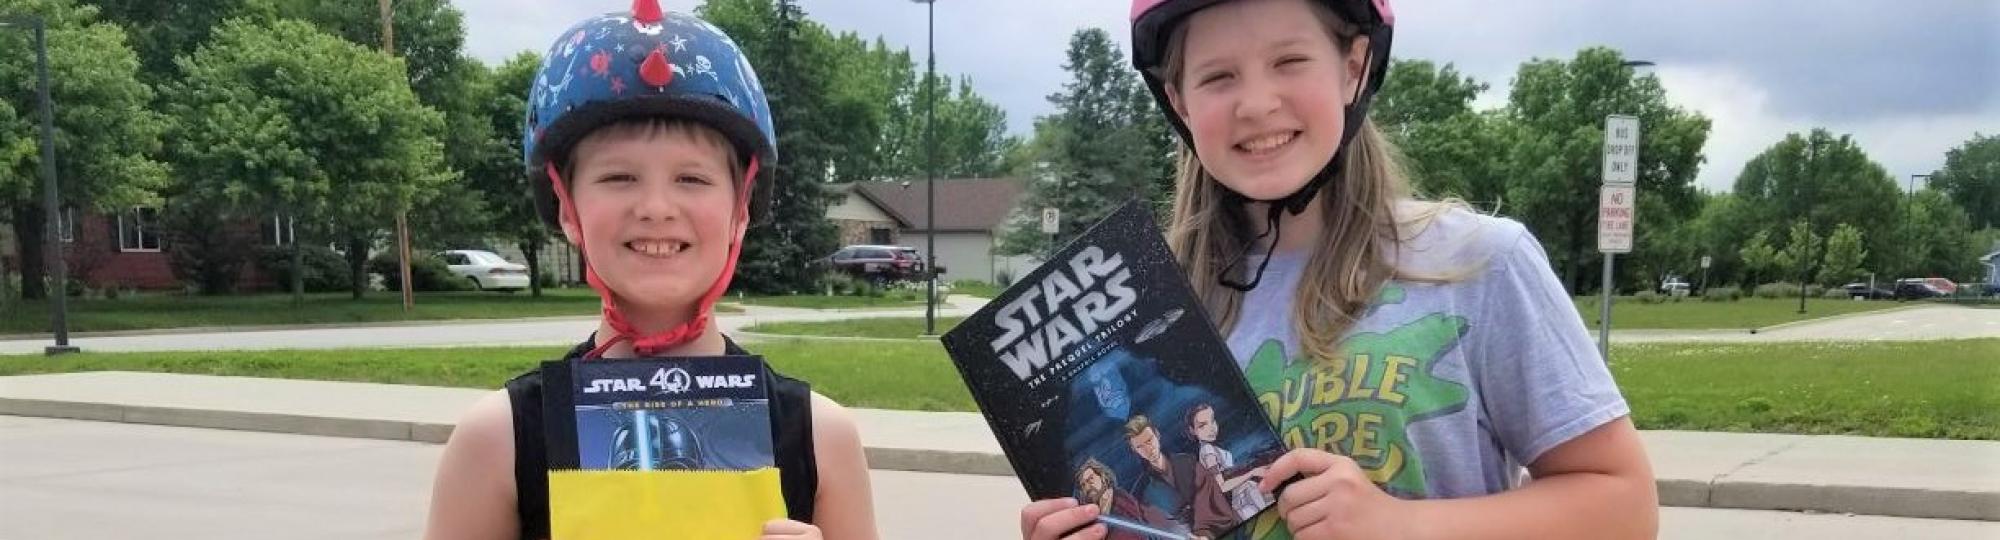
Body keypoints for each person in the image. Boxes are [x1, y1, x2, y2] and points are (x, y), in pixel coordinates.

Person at [1019, 0, 1657, 538]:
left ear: (1353, 68)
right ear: (1179, 101)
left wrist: (1399, 526)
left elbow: (1624, 504)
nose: (1256, 102)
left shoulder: (1477, 264)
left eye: (1289, 61)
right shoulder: (1151, 304)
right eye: (1218, 77)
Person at [422, 3, 877, 539]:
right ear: (568, 208)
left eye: (691, 178)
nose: (656, 207)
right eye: (619, 177)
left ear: (742, 208)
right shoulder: (499, 441)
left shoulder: (822, 439)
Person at [1123, 415, 1235, 539]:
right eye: (1140, 447)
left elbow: (1209, 496)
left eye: (1149, 440)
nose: (1148, 449)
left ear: (1157, 435)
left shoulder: (1187, 462)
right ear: (1134, 450)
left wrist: (1204, 534)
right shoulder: (1141, 490)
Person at [1184, 403, 1271, 519]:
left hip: (1246, 498)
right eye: (1202, 425)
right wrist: (1252, 473)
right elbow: (1221, 486)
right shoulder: (1208, 451)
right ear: (1192, 430)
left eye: (1212, 420)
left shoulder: (1211, 449)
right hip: (1244, 499)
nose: (1211, 428)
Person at [1075, 458, 1183, 540]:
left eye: (1090, 479)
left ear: (1102, 477)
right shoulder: (1091, 519)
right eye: (1083, 485)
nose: (1088, 486)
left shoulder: (1122, 500)